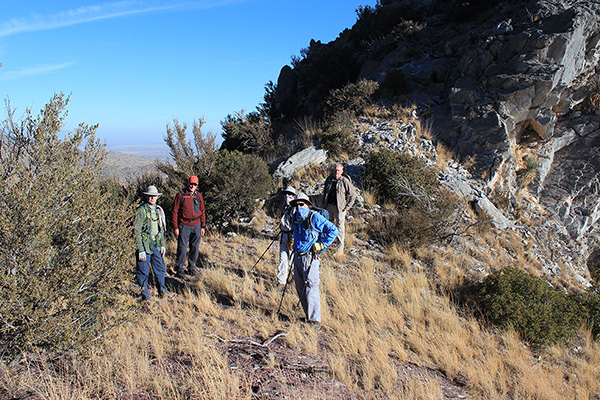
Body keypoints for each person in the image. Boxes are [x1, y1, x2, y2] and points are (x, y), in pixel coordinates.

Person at [290, 192, 338, 327]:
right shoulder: (295, 218)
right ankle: (308, 316)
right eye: (296, 204)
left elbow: (333, 231)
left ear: (307, 205)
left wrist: (321, 245)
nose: (299, 207)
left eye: (302, 204)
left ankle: (315, 320)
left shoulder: (314, 217)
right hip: (297, 256)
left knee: (311, 286)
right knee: (300, 287)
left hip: (310, 257)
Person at [134, 185, 174, 300]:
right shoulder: (141, 211)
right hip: (145, 245)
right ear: (147, 197)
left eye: (154, 196)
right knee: (143, 271)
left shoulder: (158, 210)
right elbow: (137, 231)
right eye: (150, 196)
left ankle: (163, 291)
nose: (152, 198)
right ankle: (145, 295)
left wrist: (162, 245)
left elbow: (161, 229)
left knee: (160, 269)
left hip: (156, 244)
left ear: (157, 197)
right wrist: (140, 250)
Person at [172, 175, 206, 279]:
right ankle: (179, 268)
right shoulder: (181, 195)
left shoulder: (199, 196)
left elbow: (203, 210)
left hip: (196, 225)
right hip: (184, 225)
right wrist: (175, 227)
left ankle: (191, 266)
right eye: (191, 183)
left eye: (194, 184)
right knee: (182, 248)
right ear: (188, 183)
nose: (192, 186)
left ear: (197, 185)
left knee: (194, 247)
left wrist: (203, 226)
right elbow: (175, 211)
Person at [321, 163, 357, 255]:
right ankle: (324, 246)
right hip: (329, 206)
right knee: (326, 225)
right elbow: (325, 192)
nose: (336, 172)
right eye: (335, 170)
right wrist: (323, 205)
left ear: (342, 171)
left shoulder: (344, 181)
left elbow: (353, 195)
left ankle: (339, 250)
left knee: (340, 228)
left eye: (338, 170)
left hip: (340, 208)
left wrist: (347, 207)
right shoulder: (329, 179)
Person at [278, 186, 296, 286]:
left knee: (292, 260)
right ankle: (281, 282)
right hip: (283, 236)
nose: (287, 196)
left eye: (290, 195)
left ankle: (294, 279)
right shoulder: (285, 207)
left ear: (294, 196)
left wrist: (293, 238)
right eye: (286, 194)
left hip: (291, 237)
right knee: (283, 260)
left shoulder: (294, 209)